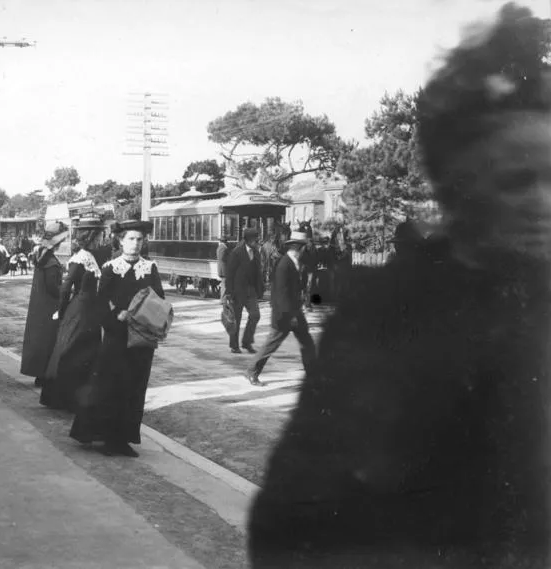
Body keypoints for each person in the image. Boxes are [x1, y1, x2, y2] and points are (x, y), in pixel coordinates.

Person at [249, 5, 551, 567]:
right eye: (517, 179)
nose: (544, 201)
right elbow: (294, 524)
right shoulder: (389, 318)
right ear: (460, 187)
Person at [69, 218, 165, 457]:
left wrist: (146, 315)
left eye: (139, 239)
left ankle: (124, 439)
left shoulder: (150, 269)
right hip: (117, 337)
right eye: (131, 239)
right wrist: (116, 316)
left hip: (141, 338)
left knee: (135, 387)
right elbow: (100, 303)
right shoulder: (111, 268)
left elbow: (159, 301)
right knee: (112, 386)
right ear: (121, 241)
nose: (136, 244)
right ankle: (106, 439)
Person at [41, 214, 106, 411]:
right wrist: (61, 312)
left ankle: (79, 397)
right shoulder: (80, 259)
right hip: (79, 312)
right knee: (74, 352)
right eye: (99, 237)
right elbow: (66, 288)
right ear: (91, 237)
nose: (102, 240)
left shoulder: (91, 257)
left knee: (86, 353)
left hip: (90, 312)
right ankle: (65, 398)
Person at [245, 231, 317, 386]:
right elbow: (280, 294)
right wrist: (288, 316)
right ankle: (252, 371)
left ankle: (313, 375)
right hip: (284, 314)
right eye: (303, 247)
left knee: (307, 343)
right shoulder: (284, 264)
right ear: (297, 247)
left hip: (294, 312)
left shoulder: (296, 263)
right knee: (271, 344)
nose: (305, 250)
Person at [20, 223, 68, 388]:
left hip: (39, 305)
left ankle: (39, 373)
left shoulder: (42, 257)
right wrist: (67, 290)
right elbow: (54, 289)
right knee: (49, 340)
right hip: (50, 306)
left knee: (39, 339)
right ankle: (44, 375)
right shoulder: (52, 263)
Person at [224, 227, 263, 354]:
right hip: (237, 290)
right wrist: (229, 292)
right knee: (236, 319)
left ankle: (247, 342)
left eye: (256, 240)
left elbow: (258, 272)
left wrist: (260, 290)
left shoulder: (256, 252)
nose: (256, 242)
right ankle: (234, 346)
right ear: (247, 240)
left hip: (251, 291)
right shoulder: (237, 252)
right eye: (254, 240)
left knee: (255, 315)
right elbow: (230, 274)